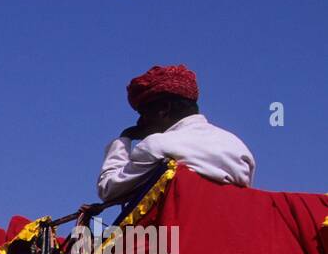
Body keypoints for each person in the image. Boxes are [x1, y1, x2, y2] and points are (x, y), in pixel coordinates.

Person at [96, 64, 255, 203]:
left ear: (164, 109)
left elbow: (108, 189)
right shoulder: (238, 147)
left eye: (143, 114)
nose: (139, 122)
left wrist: (124, 139)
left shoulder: (156, 146)